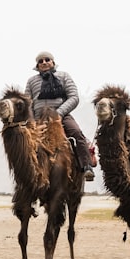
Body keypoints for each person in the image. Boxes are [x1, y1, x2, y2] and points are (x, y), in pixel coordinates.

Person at [25, 50, 95, 182]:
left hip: (61, 115)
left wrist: (60, 113)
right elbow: (27, 102)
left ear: (53, 62)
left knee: (76, 133)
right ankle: (25, 176)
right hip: (39, 118)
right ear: (37, 65)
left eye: (47, 60)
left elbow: (74, 97)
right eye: (41, 61)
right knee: (24, 141)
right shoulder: (31, 81)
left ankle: (87, 167)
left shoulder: (63, 76)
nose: (44, 62)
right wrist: (31, 120)